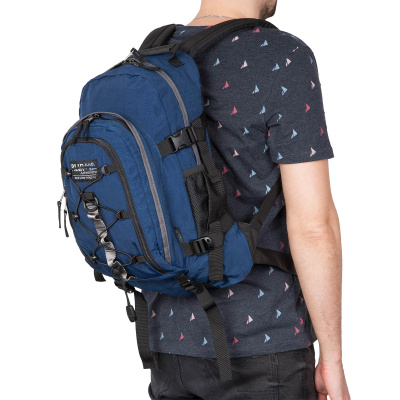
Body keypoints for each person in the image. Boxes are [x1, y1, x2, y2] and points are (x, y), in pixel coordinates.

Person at [143, 1, 351, 399]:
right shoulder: (282, 56)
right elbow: (314, 227)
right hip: (262, 345)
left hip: (166, 341)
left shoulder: (153, 56)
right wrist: (333, 359)